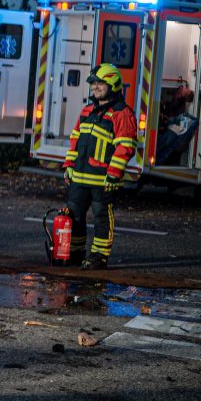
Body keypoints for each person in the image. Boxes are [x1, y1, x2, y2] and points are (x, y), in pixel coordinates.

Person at [61, 63, 138, 269]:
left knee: (101, 217)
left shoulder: (122, 113)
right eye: (93, 83)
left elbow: (126, 147)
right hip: (79, 176)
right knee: (75, 214)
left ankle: (98, 258)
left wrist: (113, 174)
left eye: (100, 83)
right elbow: (75, 138)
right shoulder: (88, 110)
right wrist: (69, 165)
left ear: (112, 84)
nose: (95, 87)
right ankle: (75, 254)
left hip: (103, 179)